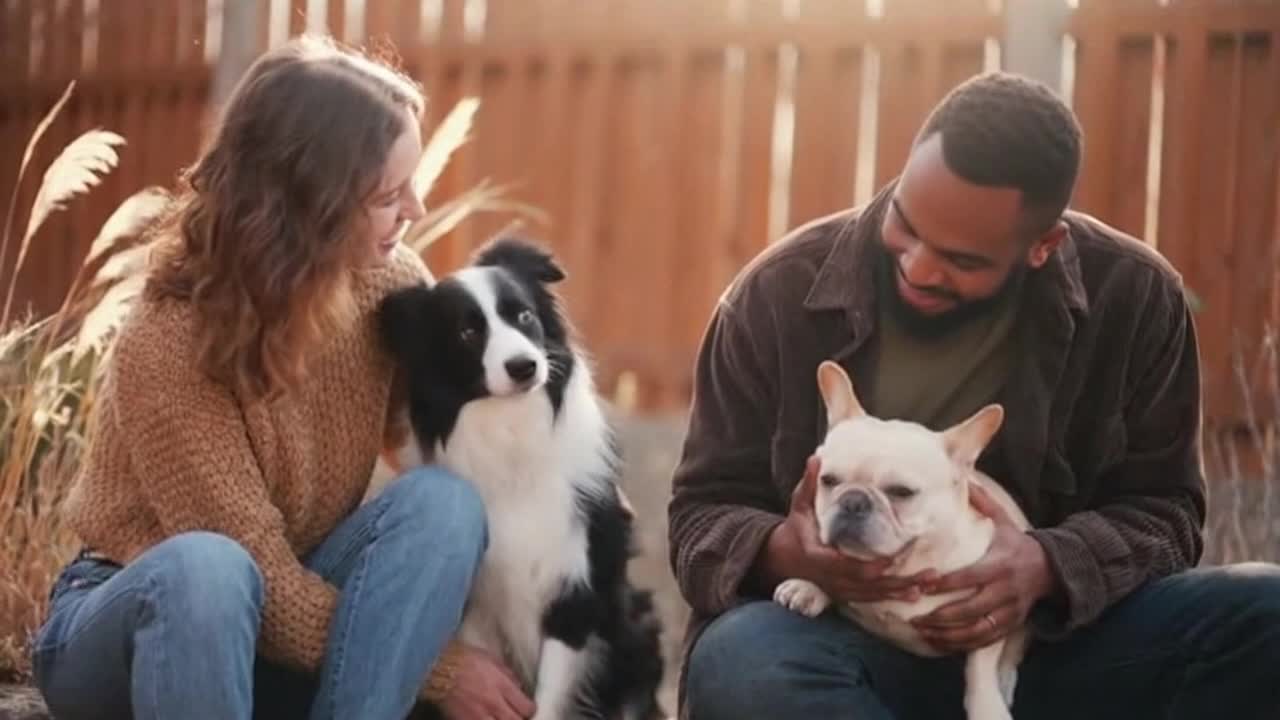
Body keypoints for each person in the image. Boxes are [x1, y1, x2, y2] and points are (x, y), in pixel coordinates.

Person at [667, 71, 1280, 719]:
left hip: (1051, 649)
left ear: (1044, 246)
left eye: (961, 260)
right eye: (904, 224)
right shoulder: (776, 294)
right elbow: (700, 517)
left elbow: (1168, 516)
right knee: (744, 665)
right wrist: (791, 552)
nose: (918, 266)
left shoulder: (1136, 298)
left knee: (1264, 615)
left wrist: (1047, 565)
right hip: (840, 649)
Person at [30, 36, 536, 720]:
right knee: (207, 569)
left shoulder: (391, 285)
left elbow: (456, 440)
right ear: (312, 204)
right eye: (388, 194)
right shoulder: (171, 335)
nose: (414, 209)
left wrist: (569, 492)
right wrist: (440, 673)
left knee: (443, 506)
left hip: (289, 608)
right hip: (145, 622)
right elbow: (256, 582)